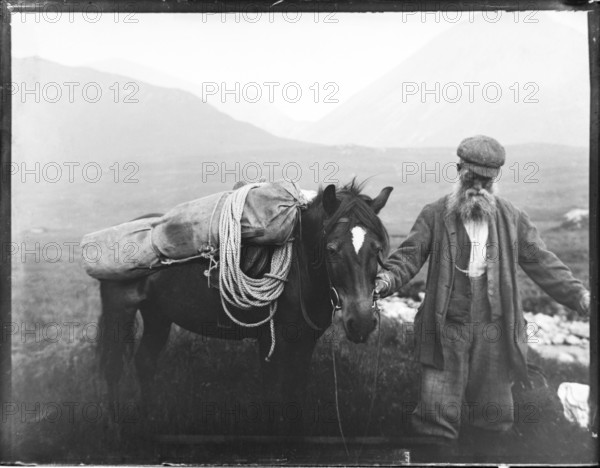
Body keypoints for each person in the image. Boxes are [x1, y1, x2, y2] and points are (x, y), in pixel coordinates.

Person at [375, 135, 591, 452]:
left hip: (496, 331)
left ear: (496, 179)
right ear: (459, 170)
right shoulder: (434, 214)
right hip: (446, 328)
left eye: (486, 182)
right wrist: (383, 281)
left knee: (494, 418)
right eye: (471, 178)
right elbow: (408, 257)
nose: (478, 187)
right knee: (435, 420)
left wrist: (581, 297)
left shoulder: (512, 218)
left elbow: (544, 264)